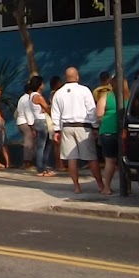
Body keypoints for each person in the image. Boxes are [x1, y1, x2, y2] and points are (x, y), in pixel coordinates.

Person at [51, 66, 104, 194]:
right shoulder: (84, 90)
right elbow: (91, 110)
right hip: (83, 127)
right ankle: (101, 186)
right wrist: (95, 126)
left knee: (71, 158)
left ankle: (76, 187)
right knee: (91, 157)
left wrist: (56, 131)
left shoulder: (59, 93)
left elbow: (55, 113)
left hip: (67, 127)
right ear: (77, 77)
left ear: (65, 78)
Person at [95, 71, 126, 196]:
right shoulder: (129, 97)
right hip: (124, 132)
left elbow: (99, 114)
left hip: (107, 131)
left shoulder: (106, 97)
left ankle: (106, 187)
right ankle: (126, 187)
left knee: (110, 161)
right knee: (123, 160)